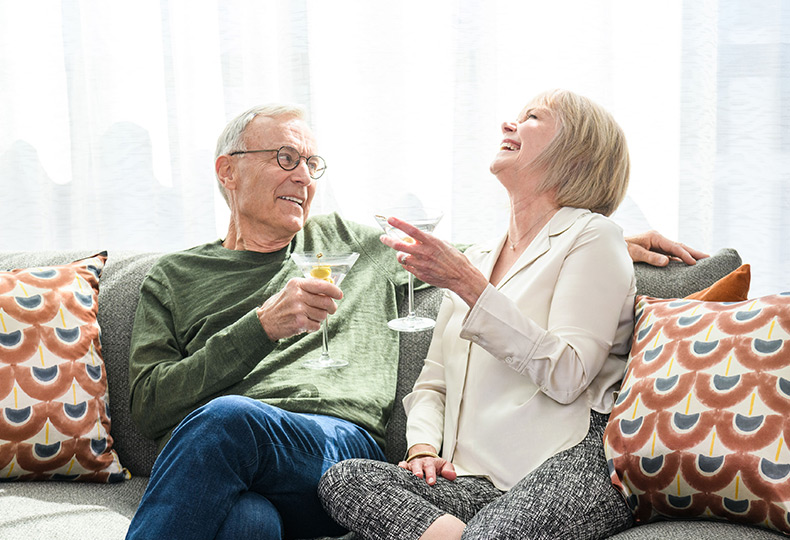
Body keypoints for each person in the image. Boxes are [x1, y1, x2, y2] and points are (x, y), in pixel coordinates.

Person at [125, 102, 705, 540]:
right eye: (285, 159)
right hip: (237, 462)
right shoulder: (173, 278)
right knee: (249, 524)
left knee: (230, 421)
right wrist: (259, 327)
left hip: (332, 446)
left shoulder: (357, 244)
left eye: (311, 163)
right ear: (228, 170)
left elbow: (482, 262)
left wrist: (604, 240)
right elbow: (151, 408)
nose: (304, 176)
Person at [317, 89, 671, 540]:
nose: (508, 124)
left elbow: (568, 373)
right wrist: (423, 446)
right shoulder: (480, 257)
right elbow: (433, 381)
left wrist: (468, 285)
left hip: (568, 460)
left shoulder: (593, 237)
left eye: (532, 118)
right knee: (344, 479)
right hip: (473, 481)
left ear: (576, 154)